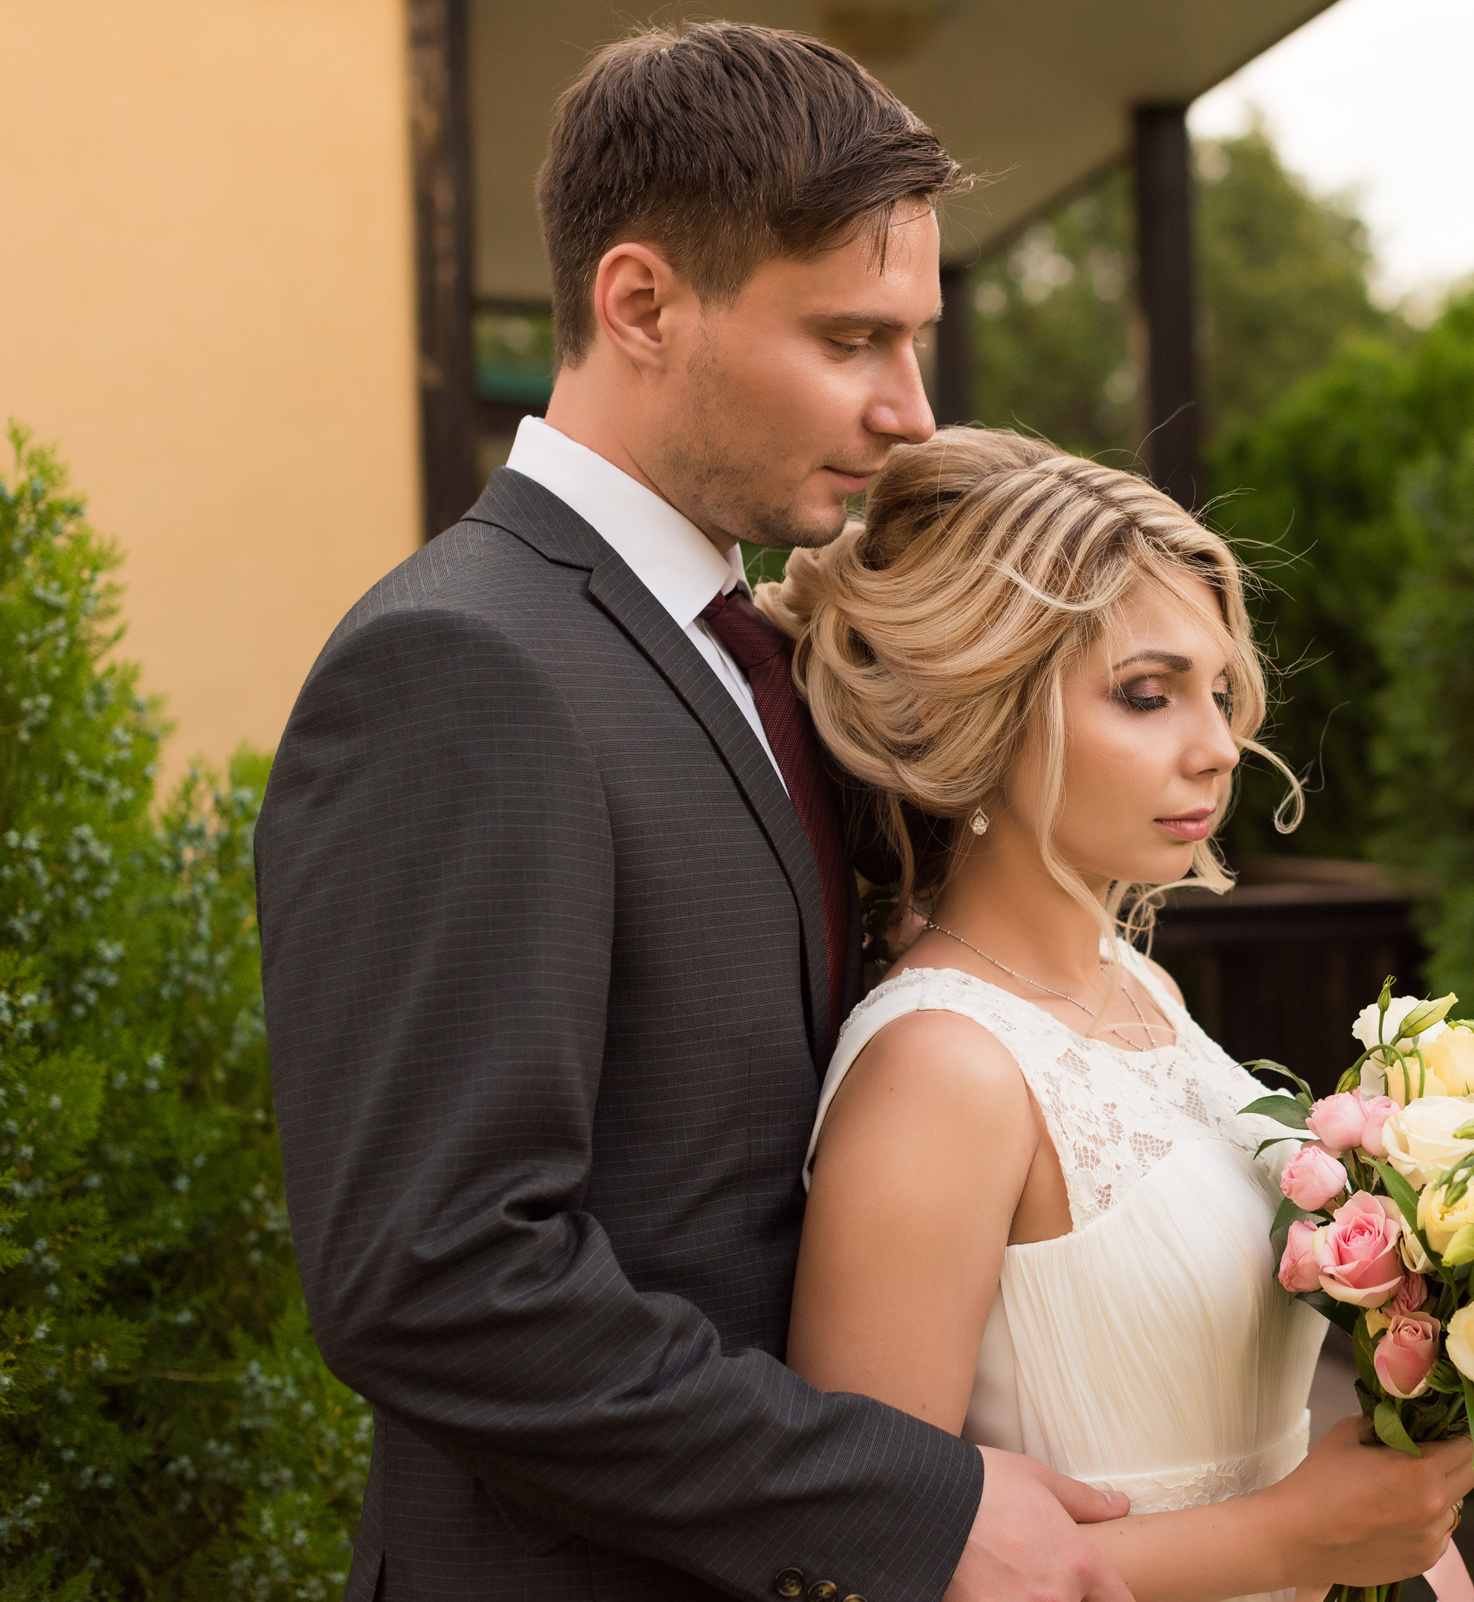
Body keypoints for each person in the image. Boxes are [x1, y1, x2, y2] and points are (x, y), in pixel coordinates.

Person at [259, 24, 1135, 1602]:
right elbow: (440, 1277)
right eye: (854, 340)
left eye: (916, 340)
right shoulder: (459, 665)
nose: (912, 411)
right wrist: (904, 1501)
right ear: (640, 302)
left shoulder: (769, 652)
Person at [772, 428, 1474, 1602]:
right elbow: (859, 1569)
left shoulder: (1140, 988)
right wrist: (1291, 1540)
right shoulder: (941, 1070)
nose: (1215, 748)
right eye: (1146, 697)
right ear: (984, 712)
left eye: (1218, 693)